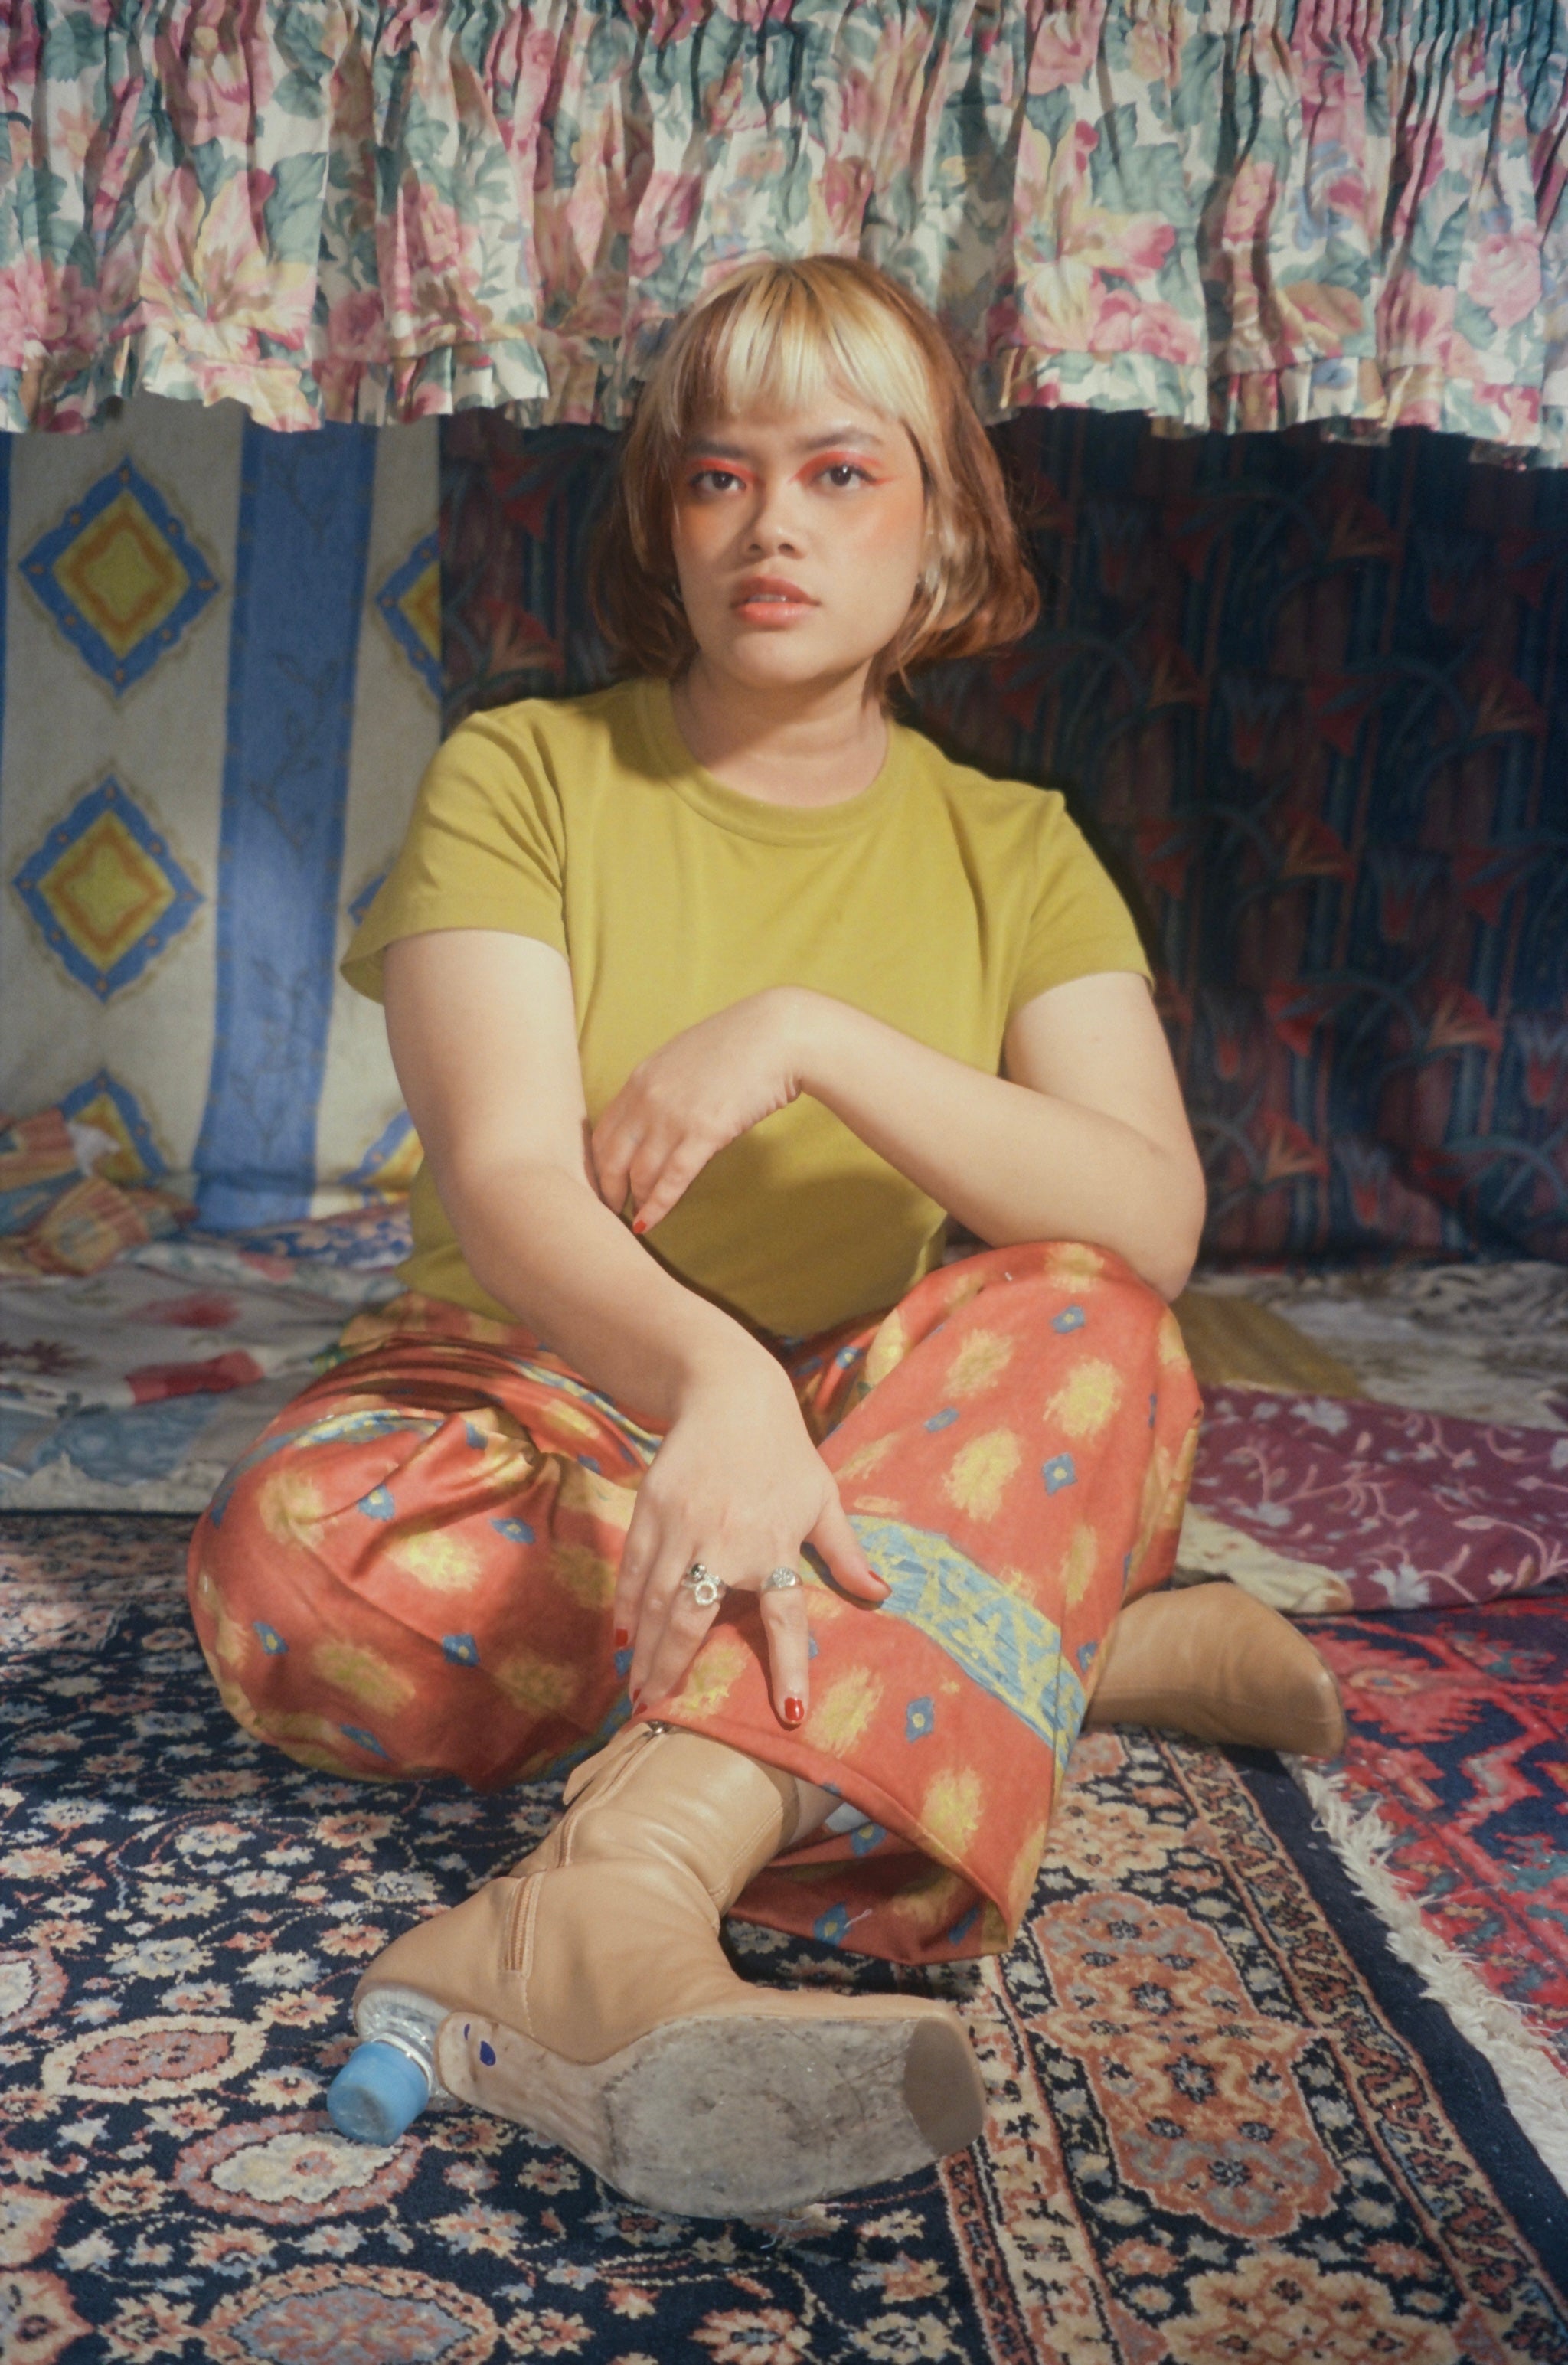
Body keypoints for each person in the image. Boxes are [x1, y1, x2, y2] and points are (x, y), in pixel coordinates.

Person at [188, 255, 1343, 2219]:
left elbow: (1145, 1220)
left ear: (945, 529)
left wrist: (814, 1036)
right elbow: (513, 1184)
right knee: (296, 1573)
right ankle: (1045, 1641)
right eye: (717, 480)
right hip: (539, 1404)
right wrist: (718, 1386)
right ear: (668, 522)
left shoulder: (1014, 847)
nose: (773, 524)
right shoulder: (523, 776)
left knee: (1084, 1322)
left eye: (837, 473)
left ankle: (613, 1895)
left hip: (879, 1440)